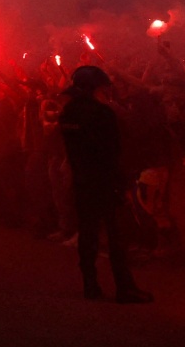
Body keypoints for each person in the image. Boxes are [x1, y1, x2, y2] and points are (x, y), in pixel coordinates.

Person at [59, 66, 153, 304]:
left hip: (81, 181)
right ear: (96, 87)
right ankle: (124, 287)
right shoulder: (102, 114)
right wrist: (121, 183)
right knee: (116, 235)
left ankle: (90, 285)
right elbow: (112, 152)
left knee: (88, 233)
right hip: (105, 181)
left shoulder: (68, 113)